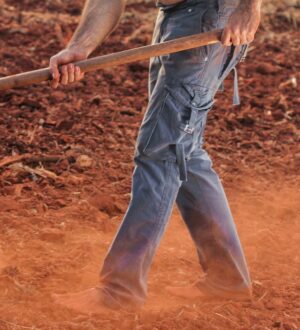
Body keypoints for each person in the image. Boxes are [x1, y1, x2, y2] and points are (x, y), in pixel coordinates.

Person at [49, 0, 261, 313]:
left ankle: (119, 290)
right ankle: (227, 277)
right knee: (182, 150)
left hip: (212, 18)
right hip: (178, 18)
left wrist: (250, 7)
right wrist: (80, 47)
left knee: (160, 152)